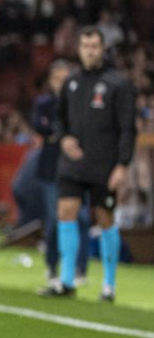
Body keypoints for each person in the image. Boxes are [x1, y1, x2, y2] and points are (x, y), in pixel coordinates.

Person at [39, 26, 136, 301]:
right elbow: (58, 119)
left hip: (105, 165)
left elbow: (128, 128)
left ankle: (109, 285)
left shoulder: (118, 84)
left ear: (102, 48)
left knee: (105, 219)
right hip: (73, 163)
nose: (90, 51)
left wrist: (123, 165)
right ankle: (67, 281)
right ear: (78, 49)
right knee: (65, 211)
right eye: (85, 46)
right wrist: (64, 137)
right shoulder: (70, 83)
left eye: (95, 46)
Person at [30, 59, 90, 286]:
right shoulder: (45, 103)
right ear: (50, 81)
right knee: (54, 219)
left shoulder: (80, 104)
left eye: (66, 79)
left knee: (82, 218)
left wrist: (55, 131)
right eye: (58, 79)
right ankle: (52, 265)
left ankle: (79, 268)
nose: (62, 84)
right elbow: (39, 125)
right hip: (51, 169)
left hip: (77, 168)